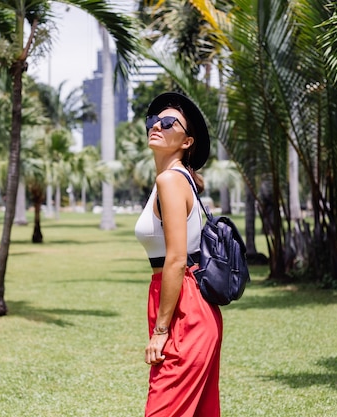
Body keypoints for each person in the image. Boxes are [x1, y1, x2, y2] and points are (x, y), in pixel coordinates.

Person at [134, 92, 223, 417]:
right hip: (187, 304)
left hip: (184, 309)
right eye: (153, 121)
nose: (157, 124)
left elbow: (176, 259)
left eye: (169, 122)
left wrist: (161, 332)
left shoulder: (170, 180)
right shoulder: (173, 180)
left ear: (186, 141)